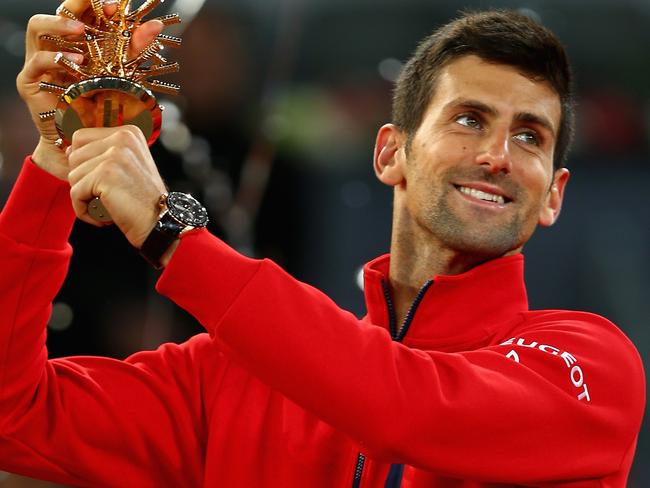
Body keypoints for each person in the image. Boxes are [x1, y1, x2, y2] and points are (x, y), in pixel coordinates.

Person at [0, 1, 645, 486]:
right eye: (469, 119)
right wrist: (58, 161)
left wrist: (173, 235)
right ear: (391, 152)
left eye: (530, 136)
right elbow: (14, 413)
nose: (498, 156)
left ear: (554, 193)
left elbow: (402, 407)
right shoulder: (232, 373)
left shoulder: (590, 366)